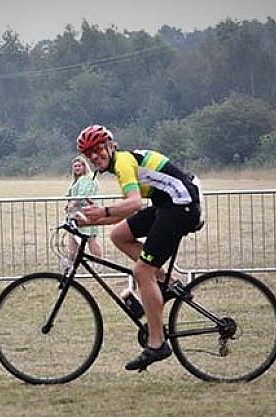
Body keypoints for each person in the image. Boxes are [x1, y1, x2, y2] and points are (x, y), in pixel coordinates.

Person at [77, 124, 203, 372]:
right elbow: (120, 216)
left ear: (111, 146)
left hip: (180, 206)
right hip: (167, 204)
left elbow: (133, 203)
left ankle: (157, 344)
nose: (94, 156)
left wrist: (100, 212)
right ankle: (167, 283)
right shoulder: (121, 164)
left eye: (98, 148)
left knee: (142, 271)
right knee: (119, 235)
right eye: (88, 152)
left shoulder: (123, 162)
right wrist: (89, 219)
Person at [64, 155, 103, 263]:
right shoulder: (78, 180)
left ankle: (99, 262)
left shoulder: (87, 178)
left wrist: (73, 203)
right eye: (75, 166)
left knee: (91, 238)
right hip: (75, 214)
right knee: (72, 238)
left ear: (84, 166)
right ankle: (71, 263)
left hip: (86, 212)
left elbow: (83, 194)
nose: (77, 168)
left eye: (79, 165)